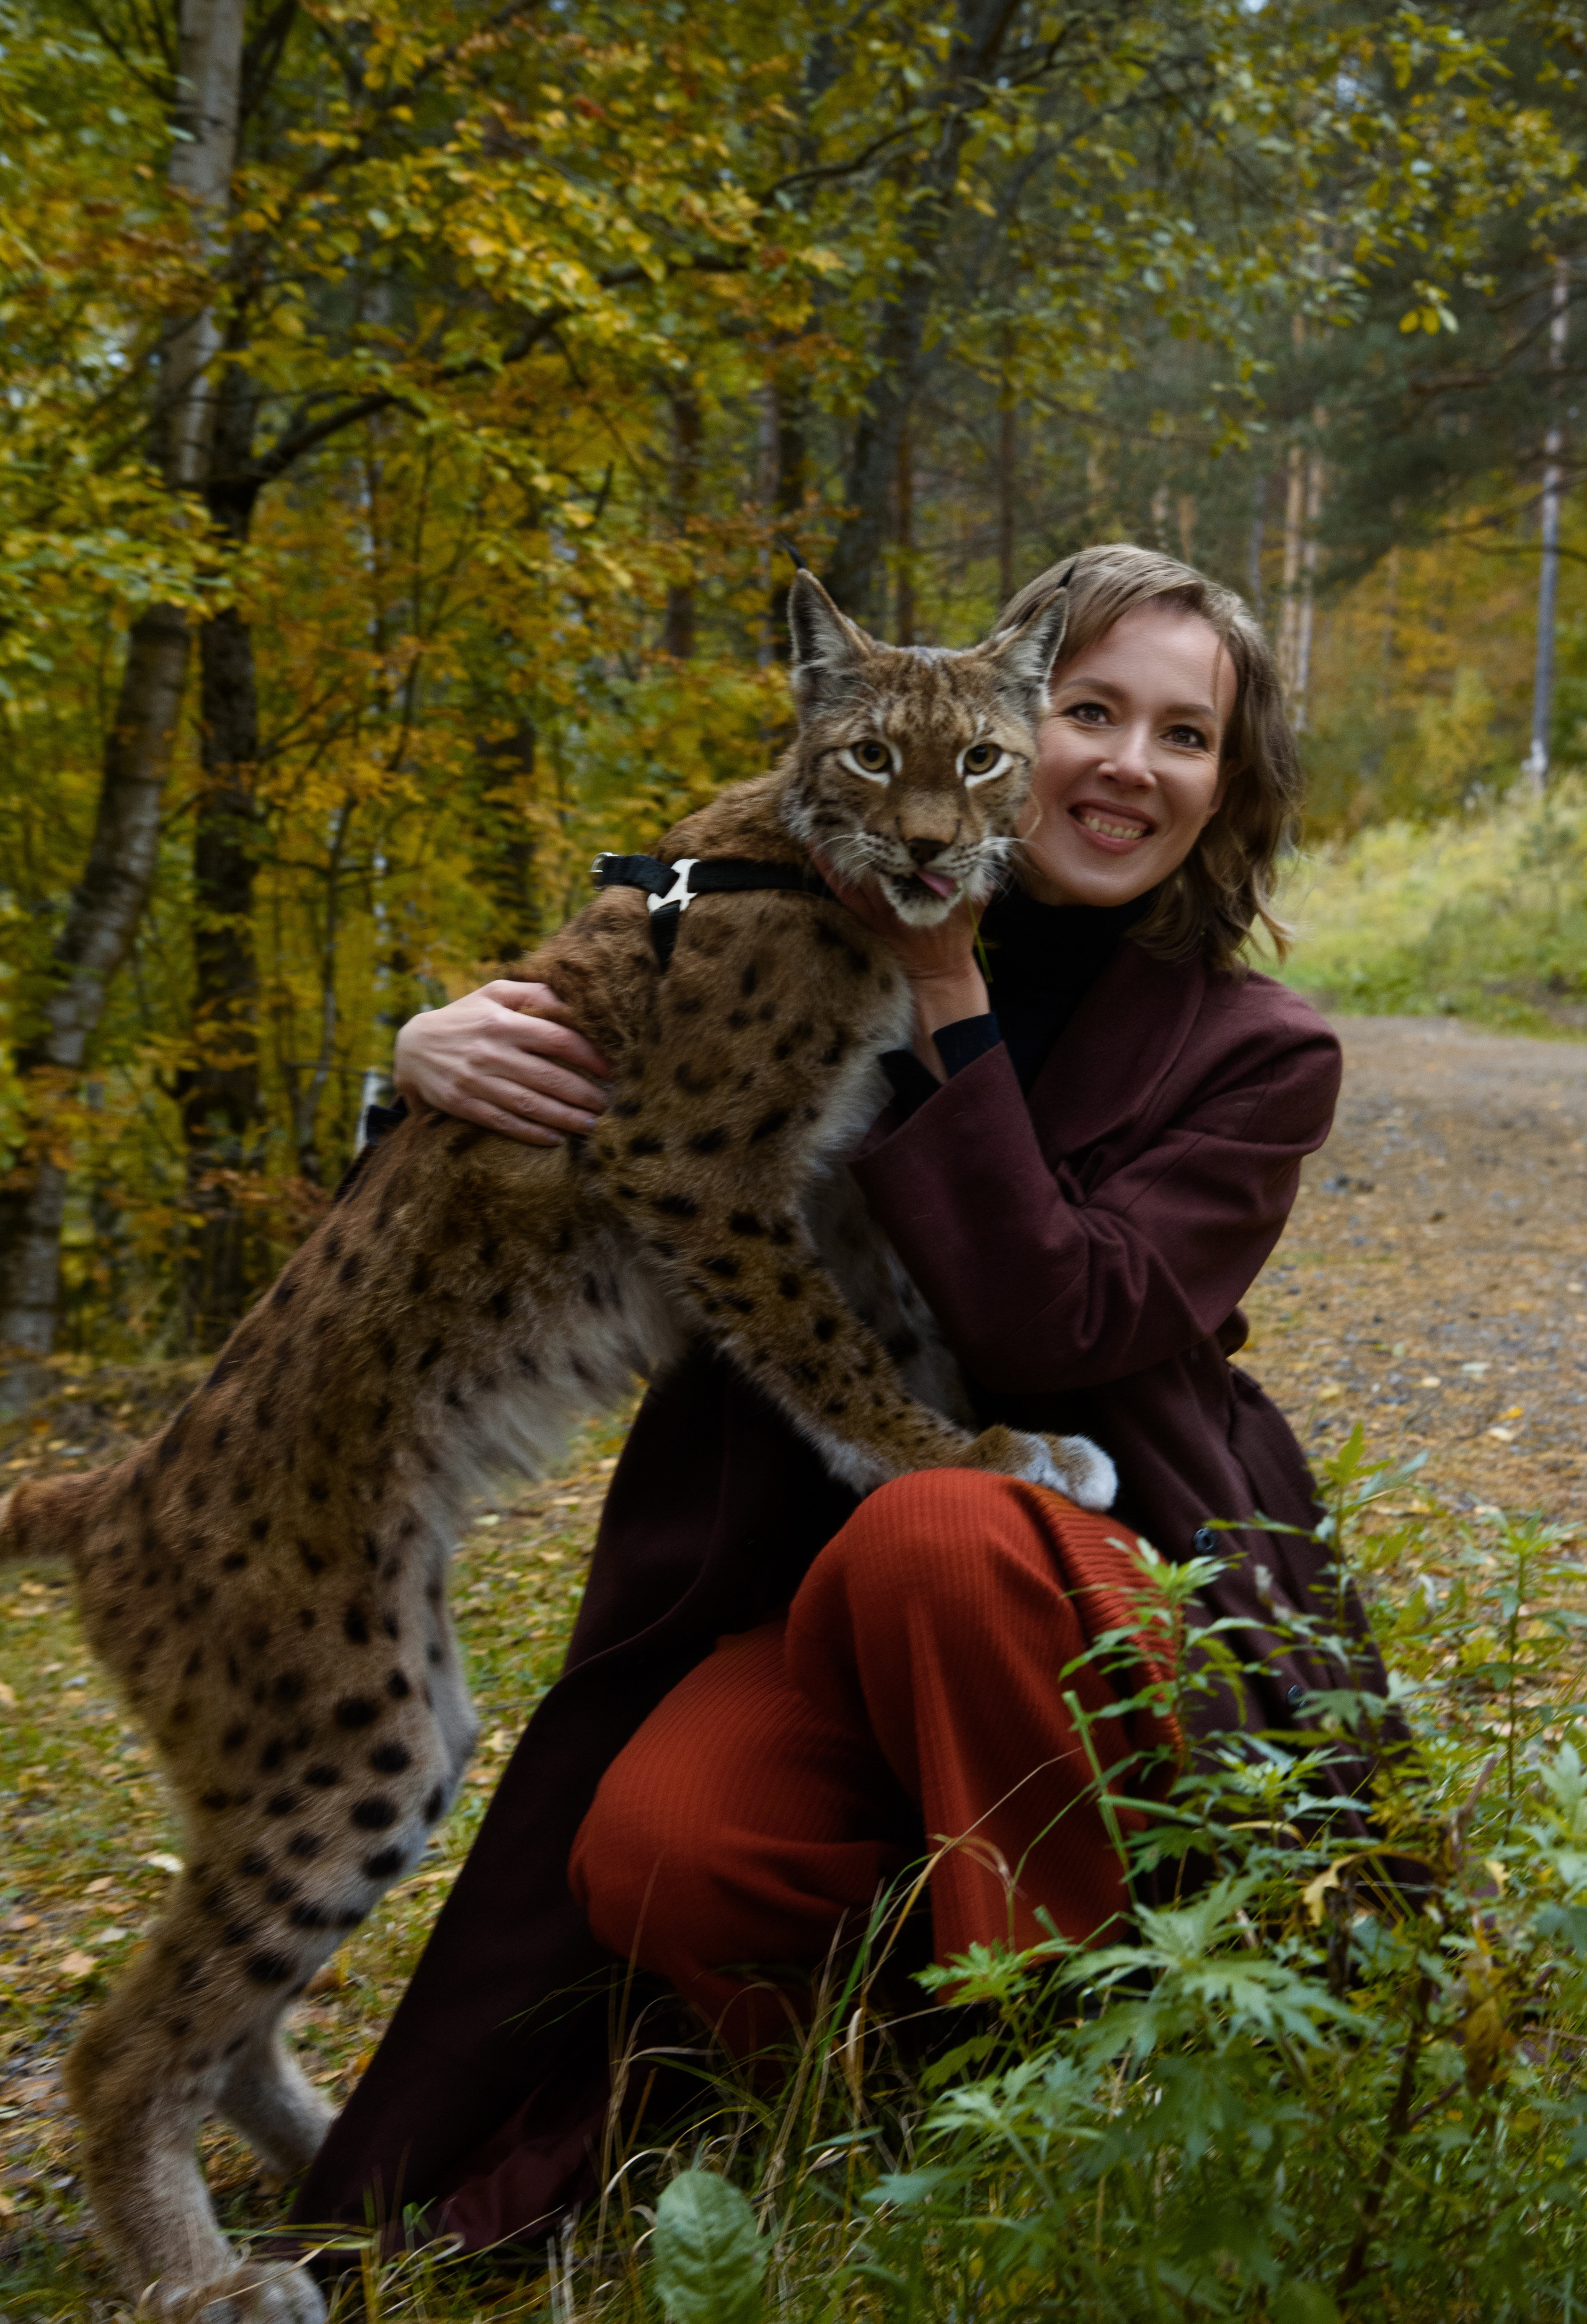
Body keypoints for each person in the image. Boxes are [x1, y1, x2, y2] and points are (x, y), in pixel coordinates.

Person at [289, 543, 1387, 2256]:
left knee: (938, 1527)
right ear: (1000, 722)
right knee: (661, 1849)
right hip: (798, 1576)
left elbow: (1061, 1316)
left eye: (1186, 735)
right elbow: (587, 1019)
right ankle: (889, 2063)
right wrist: (424, 1056)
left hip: (1109, 1590)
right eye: (1090, 710)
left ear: (1226, 784)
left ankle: (1104, 2061)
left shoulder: (1257, 1048)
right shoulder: (762, 921)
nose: (1125, 763)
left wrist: (947, 980)